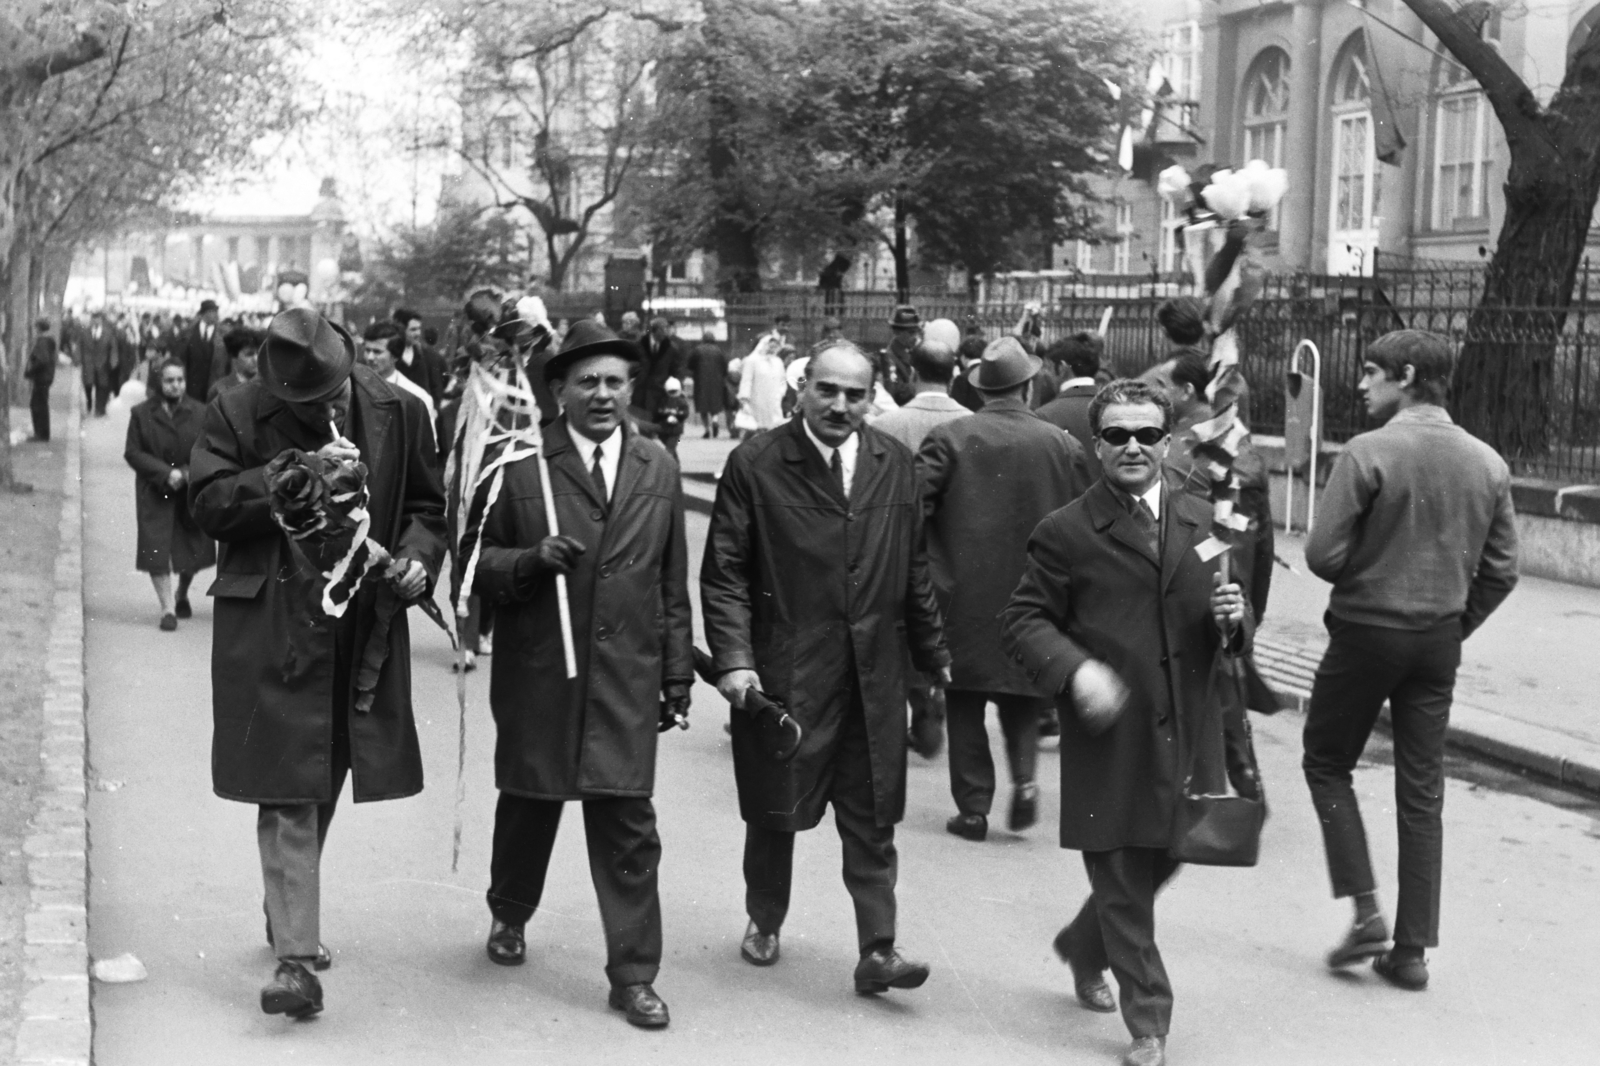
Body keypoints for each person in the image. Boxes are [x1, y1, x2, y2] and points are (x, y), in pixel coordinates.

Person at [188, 307, 446, 1021]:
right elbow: (207, 503)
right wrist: (283, 477)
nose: (327, 409)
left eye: (333, 395)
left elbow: (428, 506)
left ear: (352, 360)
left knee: (325, 766)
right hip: (273, 620)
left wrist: (419, 565)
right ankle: (296, 962)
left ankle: (285, 905)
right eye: (307, 404)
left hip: (360, 623)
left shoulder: (400, 408)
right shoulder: (236, 410)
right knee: (286, 782)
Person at [999, 379, 1250, 1066]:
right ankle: (1150, 1024)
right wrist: (1077, 671)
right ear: (1095, 444)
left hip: (1187, 737)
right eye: (1117, 435)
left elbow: (1226, 617)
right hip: (1110, 738)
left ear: (1168, 442)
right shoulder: (1067, 532)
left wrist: (1235, 623)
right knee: (1120, 879)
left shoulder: (1208, 521)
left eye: (1146, 434)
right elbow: (1023, 621)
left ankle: (1083, 945)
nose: (1133, 446)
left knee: (1161, 862)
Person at [701, 340, 950, 994]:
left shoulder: (893, 463)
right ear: (801, 388)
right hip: (789, 670)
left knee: (873, 816)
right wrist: (734, 659)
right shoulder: (755, 463)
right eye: (828, 390)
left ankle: (879, 948)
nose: (841, 405)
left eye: (855, 394)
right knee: (776, 811)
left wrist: (934, 661)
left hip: (873, 673)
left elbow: (915, 569)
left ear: (873, 398)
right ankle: (765, 917)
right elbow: (725, 572)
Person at [471, 319, 692, 1030]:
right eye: (588, 382)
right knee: (530, 805)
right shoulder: (519, 463)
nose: (603, 394)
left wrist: (678, 676)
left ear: (633, 388)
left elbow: (671, 581)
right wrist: (530, 561)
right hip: (543, 671)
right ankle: (509, 913)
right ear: (558, 390)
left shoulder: (657, 465)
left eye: (615, 382)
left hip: (626, 674)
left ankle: (633, 975)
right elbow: (477, 568)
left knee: (628, 822)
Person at [1302, 330, 1518, 991]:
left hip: (1367, 631)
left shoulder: (1369, 451)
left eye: (1371, 372)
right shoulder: (1488, 462)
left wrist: (1372, 569)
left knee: (1326, 761)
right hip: (1438, 641)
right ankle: (1412, 950)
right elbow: (1503, 569)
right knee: (1422, 792)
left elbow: (1321, 555)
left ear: (1407, 374)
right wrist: (1453, 619)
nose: (1361, 384)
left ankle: (1366, 910)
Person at [920, 338, 1092, 841]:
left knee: (965, 700)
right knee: (1022, 696)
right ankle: (1025, 782)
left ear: (981, 388)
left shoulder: (950, 436)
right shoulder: (1062, 445)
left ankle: (973, 807)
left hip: (961, 594)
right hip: (1035, 597)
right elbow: (1086, 519)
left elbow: (914, 509)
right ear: (1029, 384)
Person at [868, 338, 968, 758]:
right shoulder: (972, 423)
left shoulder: (886, 425)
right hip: (954, 549)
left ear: (912, 370)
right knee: (944, 628)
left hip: (898, 547)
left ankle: (917, 700)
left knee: (904, 631)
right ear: (955, 372)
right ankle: (937, 691)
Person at [125, 359, 216, 629]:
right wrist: (165, 474)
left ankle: (182, 592)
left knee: (192, 549)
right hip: (155, 490)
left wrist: (187, 474)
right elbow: (132, 452)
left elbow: (209, 450)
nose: (175, 386)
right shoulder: (141, 413)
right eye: (169, 381)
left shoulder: (201, 413)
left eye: (180, 380)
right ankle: (167, 609)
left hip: (189, 490)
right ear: (158, 383)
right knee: (156, 548)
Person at [1037, 332, 1106, 482]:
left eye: (1048, 368)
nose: (1047, 375)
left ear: (1061, 368)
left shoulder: (1044, 416)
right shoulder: (1116, 406)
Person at [363, 332, 438, 455]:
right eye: (367, 350)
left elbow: (427, 449)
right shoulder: (354, 388)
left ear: (395, 356)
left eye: (377, 352)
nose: (370, 357)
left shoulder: (417, 396)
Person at [632, 316, 683, 434]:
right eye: (663, 329)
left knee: (658, 429)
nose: (666, 332)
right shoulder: (639, 346)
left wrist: (674, 387)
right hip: (641, 393)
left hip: (661, 394)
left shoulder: (671, 348)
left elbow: (677, 370)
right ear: (654, 330)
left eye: (667, 329)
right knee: (642, 428)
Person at [734, 334, 787, 435]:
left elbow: (782, 381)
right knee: (754, 428)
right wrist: (744, 399)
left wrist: (780, 393)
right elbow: (746, 380)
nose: (772, 349)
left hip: (773, 400)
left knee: (773, 428)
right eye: (770, 345)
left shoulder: (778, 362)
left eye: (775, 346)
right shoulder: (752, 360)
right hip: (756, 399)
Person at [393, 307, 446, 406]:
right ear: (400, 330)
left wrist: (434, 410)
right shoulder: (391, 357)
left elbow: (437, 387)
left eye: (419, 329)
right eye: (413, 329)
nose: (418, 333)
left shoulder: (428, 356)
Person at [178, 298, 227, 402]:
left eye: (216, 311)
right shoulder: (188, 333)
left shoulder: (224, 334)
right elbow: (181, 359)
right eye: (212, 311)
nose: (216, 315)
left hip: (213, 387)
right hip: (191, 387)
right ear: (204, 313)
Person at [689, 329, 729, 438]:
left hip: (701, 381)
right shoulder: (719, 351)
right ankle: (715, 420)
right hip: (717, 382)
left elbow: (690, 364)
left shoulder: (697, 350)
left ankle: (707, 430)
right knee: (714, 405)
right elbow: (725, 367)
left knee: (703, 407)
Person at [878, 305, 920, 405]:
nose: (915, 337)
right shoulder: (888, 358)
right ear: (897, 332)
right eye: (911, 333)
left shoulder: (915, 352)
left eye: (917, 332)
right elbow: (894, 392)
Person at [208, 328, 262, 401]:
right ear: (233, 357)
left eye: (258, 353)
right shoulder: (219, 389)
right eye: (249, 354)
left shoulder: (268, 386)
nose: (256, 359)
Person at [24, 319, 56, 442]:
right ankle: (42, 433)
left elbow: (42, 360)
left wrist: (30, 371)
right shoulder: (48, 340)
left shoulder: (43, 341)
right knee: (39, 404)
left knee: (38, 405)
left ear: (38, 328)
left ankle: (41, 434)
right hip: (46, 376)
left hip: (42, 377)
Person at [80, 311, 117, 416]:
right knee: (88, 385)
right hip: (88, 364)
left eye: (98, 319)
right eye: (94, 319)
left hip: (103, 364)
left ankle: (99, 409)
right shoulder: (85, 332)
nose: (96, 321)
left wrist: (113, 361)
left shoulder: (108, 333)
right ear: (91, 320)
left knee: (102, 386)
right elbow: (80, 345)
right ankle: (89, 403)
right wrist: (77, 359)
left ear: (101, 320)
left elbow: (113, 348)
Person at [655, 377, 690, 459]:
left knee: (669, 448)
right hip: (664, 429)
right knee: (670, 448)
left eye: (675, 392)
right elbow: (658, 411)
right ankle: (675, 463)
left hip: (676, 430)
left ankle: (669, 465)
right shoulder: (664, 401)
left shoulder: (681, 401)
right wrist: (665, 413)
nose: (673, 395)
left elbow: (685, 413)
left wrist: (677, 414)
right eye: (671, 392)